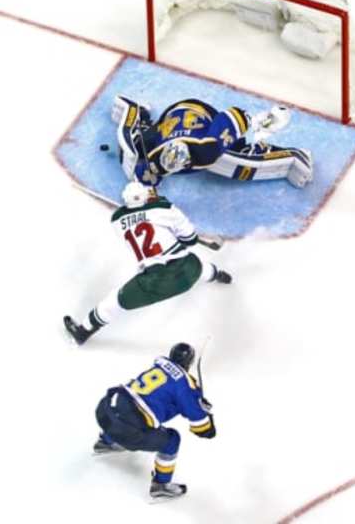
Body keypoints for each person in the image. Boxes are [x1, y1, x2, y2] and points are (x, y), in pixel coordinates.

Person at [64, 182, 231, 345]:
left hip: (154, 281)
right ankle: (218, 275)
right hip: (189, 269)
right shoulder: (164, 209)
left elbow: (131, 216)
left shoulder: (116, 220)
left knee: (115, 301)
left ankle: (83, 332)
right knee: (194, 264)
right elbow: (190, 240)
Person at [93, 342, 215, 500]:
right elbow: (202, 428)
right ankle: (161, 485)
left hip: (106, 409)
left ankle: (105, 441)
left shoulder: (159, 366)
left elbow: (165, 395)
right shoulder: (185, 386)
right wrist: (207, 418)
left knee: (126, 409)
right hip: (129, 430)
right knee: (172, 439)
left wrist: (194, 398)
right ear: (189, 362)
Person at [113, 95, 313, 188]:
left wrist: (248, 120)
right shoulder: (156, 158)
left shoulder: (207, 150)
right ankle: (140, 113)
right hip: (174, 113)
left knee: (239, 148)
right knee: (143, 140)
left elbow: (233, 115)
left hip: (200, 113)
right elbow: (130, 146)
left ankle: (280, 150)